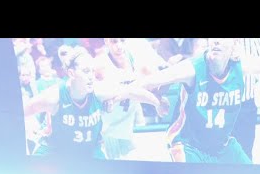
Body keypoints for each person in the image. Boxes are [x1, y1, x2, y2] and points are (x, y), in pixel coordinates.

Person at [138, 38, 260, 164]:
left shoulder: (243, 64)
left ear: (235, 45)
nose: (217, 41)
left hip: (226, 135)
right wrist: (158, 100)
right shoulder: (194, 65)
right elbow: (160, 78)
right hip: (189, 142)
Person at [23, 47, 166, 159]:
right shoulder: (54, 96)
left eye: (92, 71)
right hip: (56, 152)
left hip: (89, 151)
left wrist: (157, 103)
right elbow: (19, 112)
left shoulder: (98, 90)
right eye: (86, 71)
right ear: (71, 73)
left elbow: (131, 91)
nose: (91, 76)